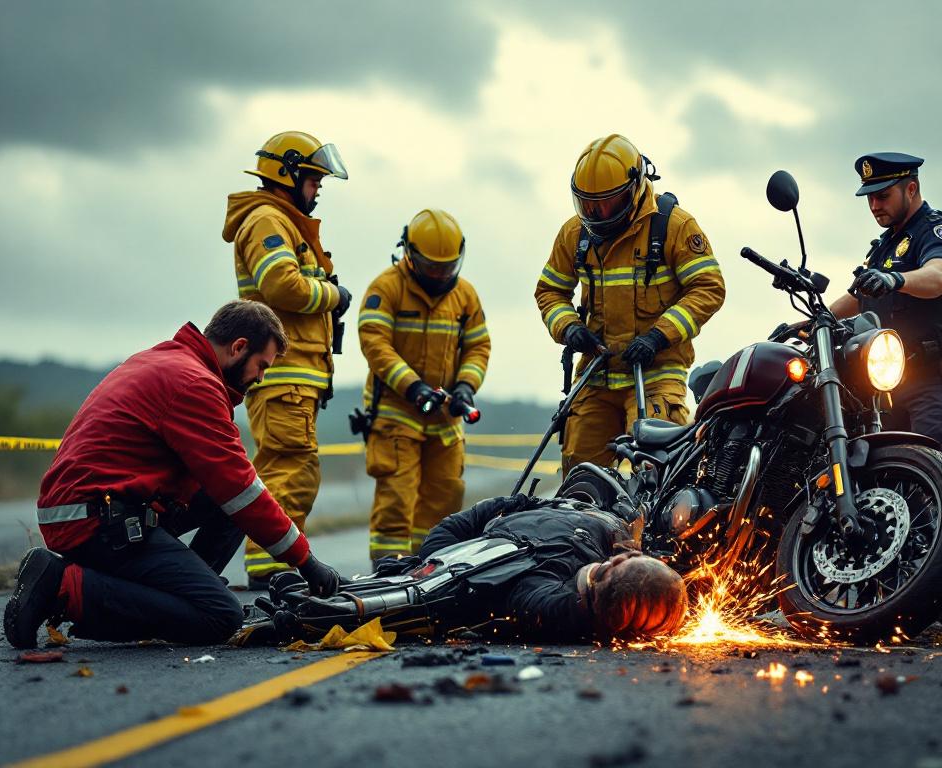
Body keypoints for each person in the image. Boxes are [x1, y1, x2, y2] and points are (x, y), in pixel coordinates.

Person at [3, 301, 341, 649]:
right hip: (93, 519)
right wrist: (306, 561)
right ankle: (62, 586)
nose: (260, 378)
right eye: (262, 366)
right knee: (220, 617)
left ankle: (185, 594)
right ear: (239, 347)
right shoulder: (194, 383)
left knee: (228, 505)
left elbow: (225, 489)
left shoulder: (167, 361)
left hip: (97, 507)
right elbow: (239, 487)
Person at [826, 152, 942, 624]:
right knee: (888, 486)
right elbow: (856, 297)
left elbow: (939, 277)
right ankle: (894, 588)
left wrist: (896, 278)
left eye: (883, 194)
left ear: (911, 188)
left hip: (935, 383)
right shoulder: (884, 247)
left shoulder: (938, 232)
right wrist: (811, 321)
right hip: (886, 387)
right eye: (869, 198)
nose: (875, 204)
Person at [240, 495, 688, 644]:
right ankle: (329, 597)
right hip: (503, 534)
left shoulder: (548, 589)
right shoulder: (604, 537)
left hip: (478, 566)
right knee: (422, 571)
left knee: (432, 590)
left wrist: (610, 607)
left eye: (618, 569)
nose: (623, 560)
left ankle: (316, 613)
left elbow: (552, 611)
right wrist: (506, 505)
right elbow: (452, 532)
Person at [535, 134, 725, 471]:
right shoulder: (574, 234)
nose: (598, 214)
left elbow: (708, 287)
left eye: (608, 204)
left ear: (634, 188)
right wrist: (569, 328)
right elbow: (549, 292)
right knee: (579, 477)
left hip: (656, 375)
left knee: (656, 472)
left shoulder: (674, 227)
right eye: (589, 205)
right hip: (596, 375)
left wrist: (658, 337)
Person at [224, 131, 353, 587]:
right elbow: (282, 285)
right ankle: (272, 571)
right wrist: (334, 295)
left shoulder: (284, 223)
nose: (317, 191)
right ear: (288, 175)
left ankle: (275, 568)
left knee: (294, 471)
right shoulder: (267, 220)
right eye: (314, 181)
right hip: (284, 377)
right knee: (289, 471)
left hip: (294, 379)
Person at [356, 209, 491, 565]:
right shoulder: (386, 288)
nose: (441, 275)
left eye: (448, 267)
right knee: (396, 499)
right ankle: (387, 572)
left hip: (445, 418)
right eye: (432, 267)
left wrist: (466, 387)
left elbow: (478, 347)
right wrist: (412, 387)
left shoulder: (465, 295)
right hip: (396, 414)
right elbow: (375, 344)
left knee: (446, 498)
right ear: (410, 254)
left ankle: (430, 569)